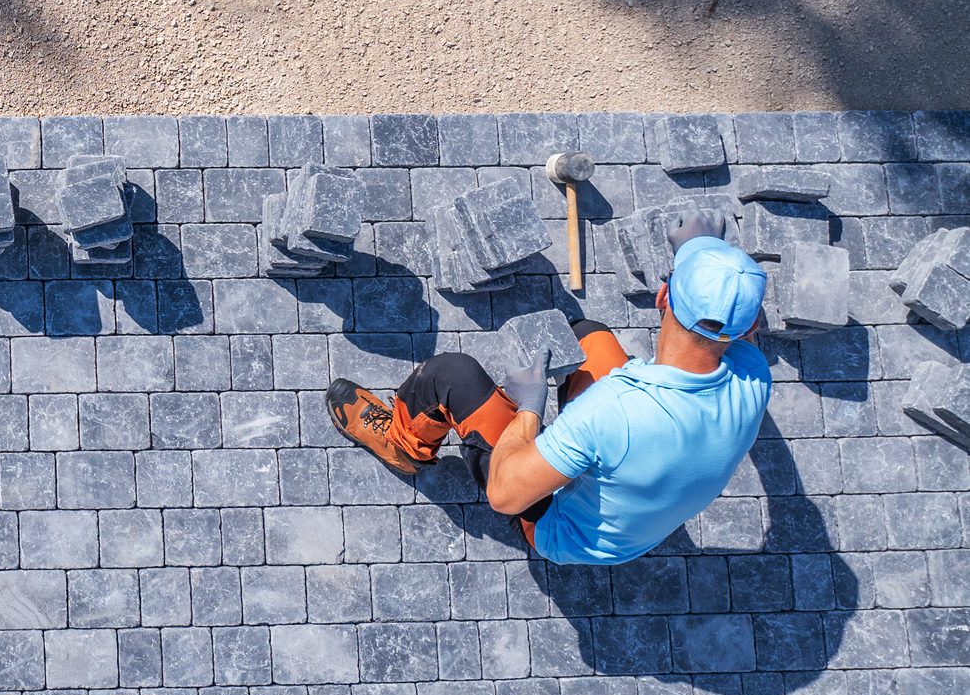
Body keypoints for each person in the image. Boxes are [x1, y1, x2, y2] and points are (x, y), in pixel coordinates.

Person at [326, 217, 772, 564]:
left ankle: (404, 446)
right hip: (642, 510)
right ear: (749, 328)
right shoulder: (753, 376)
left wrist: (530, 408)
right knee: (589, 336)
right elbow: (728, 318)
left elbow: (505, 495)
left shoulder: (611, 411)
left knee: (451, 374)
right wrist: (704, 252)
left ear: (661, 298)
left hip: (565, 531)